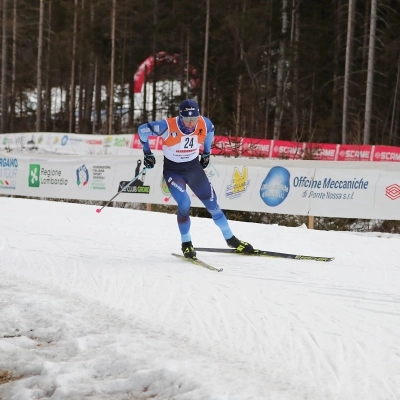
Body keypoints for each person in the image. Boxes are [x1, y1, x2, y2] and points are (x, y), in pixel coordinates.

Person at [137, 99, 254, 259]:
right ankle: (186, 243)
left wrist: (206, 152)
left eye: (194, 119)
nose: (191, 123)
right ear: (180, 117)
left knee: (213, 205)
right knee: (185, 203)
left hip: (194, 169)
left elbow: (211, 130)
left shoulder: (204, 124)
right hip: (174, 172)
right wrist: (147, 153)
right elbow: (142, 130)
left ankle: (231, 239)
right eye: (187, 119)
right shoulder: (166, 126)